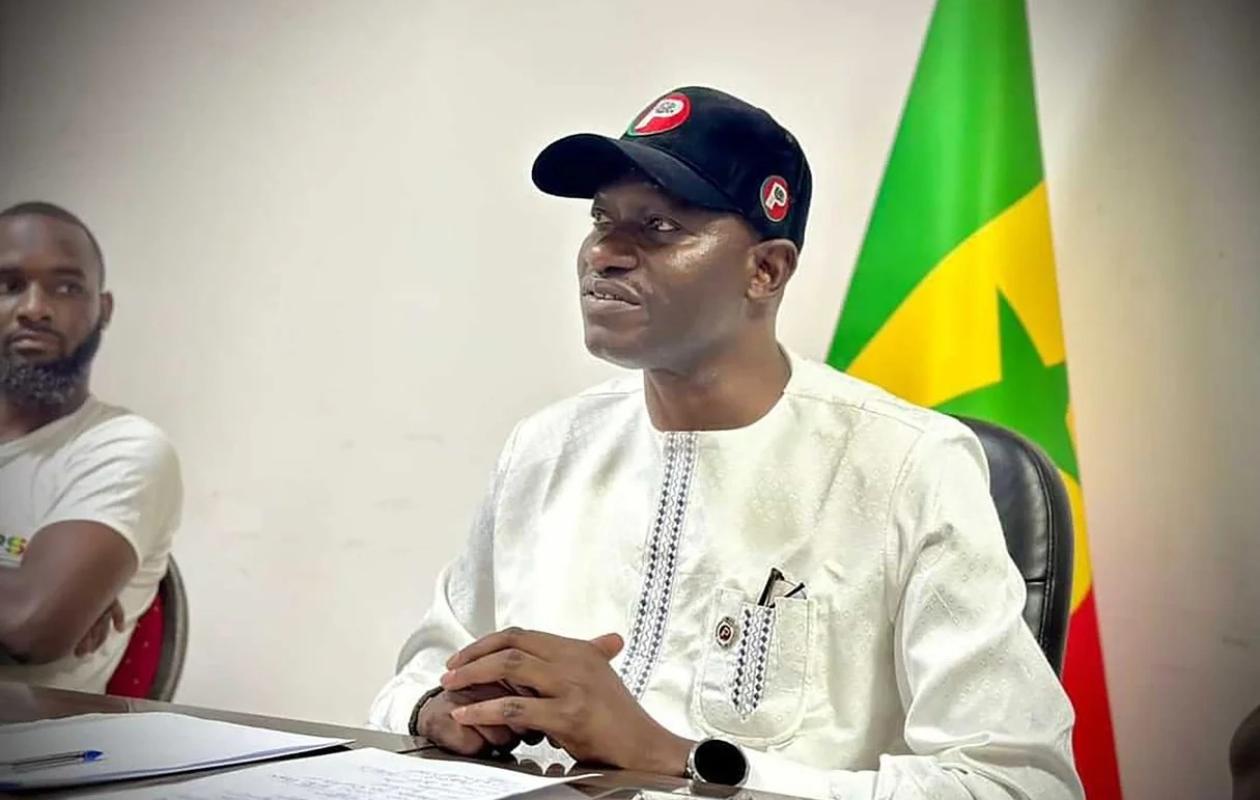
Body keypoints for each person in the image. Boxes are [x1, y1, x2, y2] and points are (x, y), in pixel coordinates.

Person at [370, 87, 1083, 799]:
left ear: (764, 270)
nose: (605, 254)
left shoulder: (907, 466)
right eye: (601, 220)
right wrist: (440, 710)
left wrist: (675, 757)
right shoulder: (547, 447)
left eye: (658, 226)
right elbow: (416, 680)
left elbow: (1019, 784)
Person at [0, 201, 182, 694]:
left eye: (65, 287)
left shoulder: (123, 449)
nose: (34, 308)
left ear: (103, 310)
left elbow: (29, 626)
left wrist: (44, 602)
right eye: (8, 285)